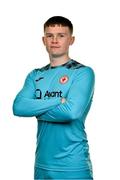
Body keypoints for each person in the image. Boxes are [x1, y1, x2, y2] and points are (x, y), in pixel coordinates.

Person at [13, 16, 95, 180]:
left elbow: (71, 112)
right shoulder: (35, 75)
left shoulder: (83, 73)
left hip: (73, 166)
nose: (55, 40)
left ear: (71, 39)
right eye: (50, 35)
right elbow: (18, 107)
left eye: (61, 35)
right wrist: (58, 101)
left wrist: (35, 108)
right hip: (42, 165)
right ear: (44, 40)